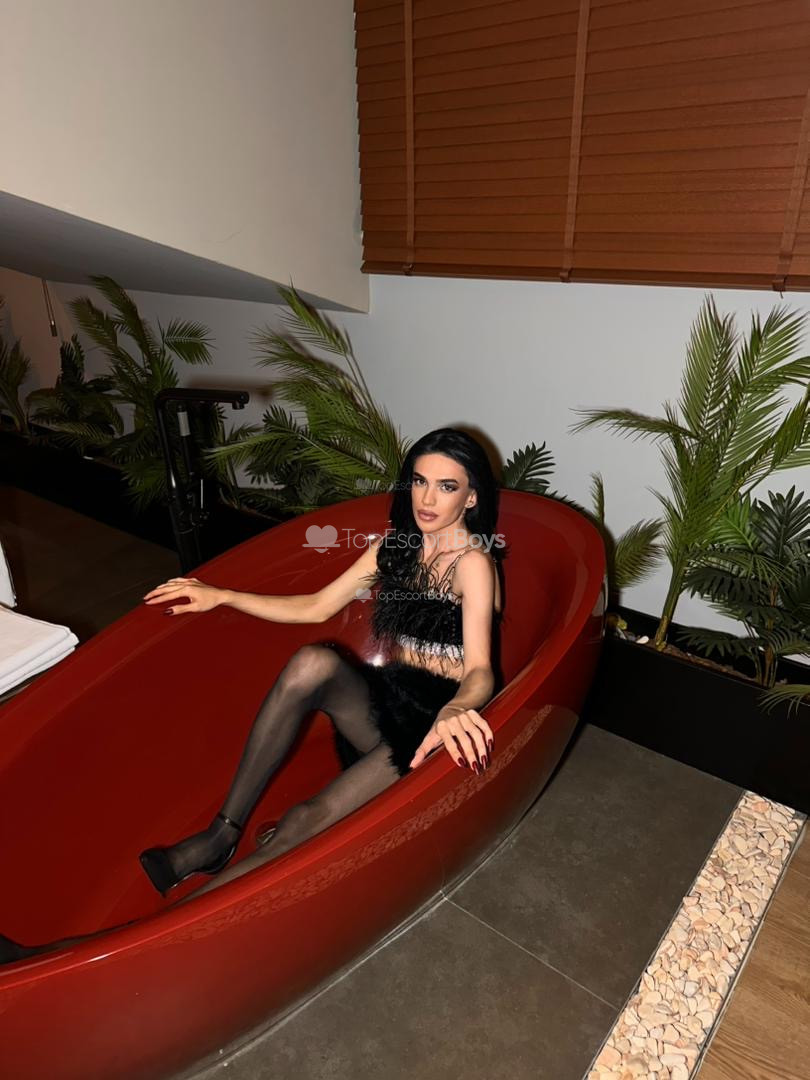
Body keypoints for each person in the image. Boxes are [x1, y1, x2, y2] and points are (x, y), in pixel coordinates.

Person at [0, 427, 504, 964]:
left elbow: (481, 671)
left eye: (446, 487)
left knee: (300, 821)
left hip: (432, 727)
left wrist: (456, 707)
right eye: (419, 482)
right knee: (312, 662)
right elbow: (316, 606)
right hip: (389, 699)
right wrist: (221, 595)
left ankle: (108, 947)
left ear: (471, 497)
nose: (427, 499)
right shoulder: (396, 548)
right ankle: (221, 835)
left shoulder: (474, 564)